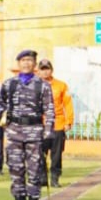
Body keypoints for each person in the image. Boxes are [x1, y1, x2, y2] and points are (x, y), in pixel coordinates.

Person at [0, 49, 54, 200]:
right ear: (18, 63)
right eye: (23, 60)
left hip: (34, 132)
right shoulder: (9, 84)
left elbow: (49, 110)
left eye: (29, 60)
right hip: (14, 131)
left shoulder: (42, 85)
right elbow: (0, 104)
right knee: (15, 168)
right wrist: (5, 120)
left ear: (35, 64)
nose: (26, 63)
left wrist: (48, 131)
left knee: (34, 169)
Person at [37, 59, 72, 187]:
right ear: (38, 71)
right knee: (39, 153)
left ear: (51, 70)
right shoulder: (35, 85)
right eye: (42, 69)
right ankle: (42, 178)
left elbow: (67, 104)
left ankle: (55, 178)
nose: (45, 72)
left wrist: (69, 121)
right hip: (41, 123)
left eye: (47, 69)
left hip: (57, 123)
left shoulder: (61, 85)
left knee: (56, 154)